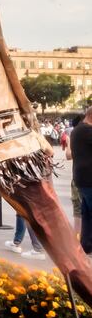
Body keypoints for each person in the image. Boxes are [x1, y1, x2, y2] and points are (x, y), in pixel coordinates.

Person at [69, 106, 92, 253]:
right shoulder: (86, 131)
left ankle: (86, 245)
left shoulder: (77, 130)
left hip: (82, 179)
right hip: (89, 179)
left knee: (87, 214)